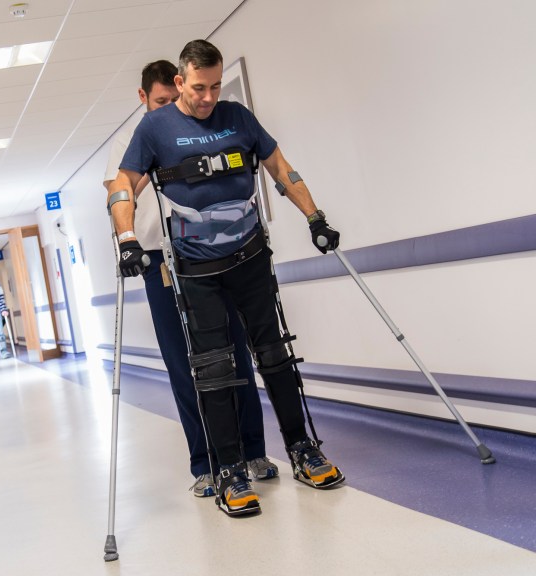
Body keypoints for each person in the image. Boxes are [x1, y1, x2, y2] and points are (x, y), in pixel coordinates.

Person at [107, 40, 345, 517]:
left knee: (275, 354)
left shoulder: (237, 116)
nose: (208, 97)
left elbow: (279, 167)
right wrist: (128, 238)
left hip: (251, 256)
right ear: (179, 82)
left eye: (215, 86)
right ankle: (229, 471)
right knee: (213, 368)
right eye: (199, 87)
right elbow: (122, 185)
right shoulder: (155, 127)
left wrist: (314, 216)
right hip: (196, 270)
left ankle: (302, 448)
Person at [104, 60, 278, 499]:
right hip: (158, 261)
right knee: (185, 364)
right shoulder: (130, 139)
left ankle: (251, 451)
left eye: (173, 99)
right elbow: (120, 190)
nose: (172, 107)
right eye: (161, 101)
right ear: (143, 98)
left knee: (234, 349)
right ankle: (206, 463)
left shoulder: (194, 123)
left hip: (207, 255)